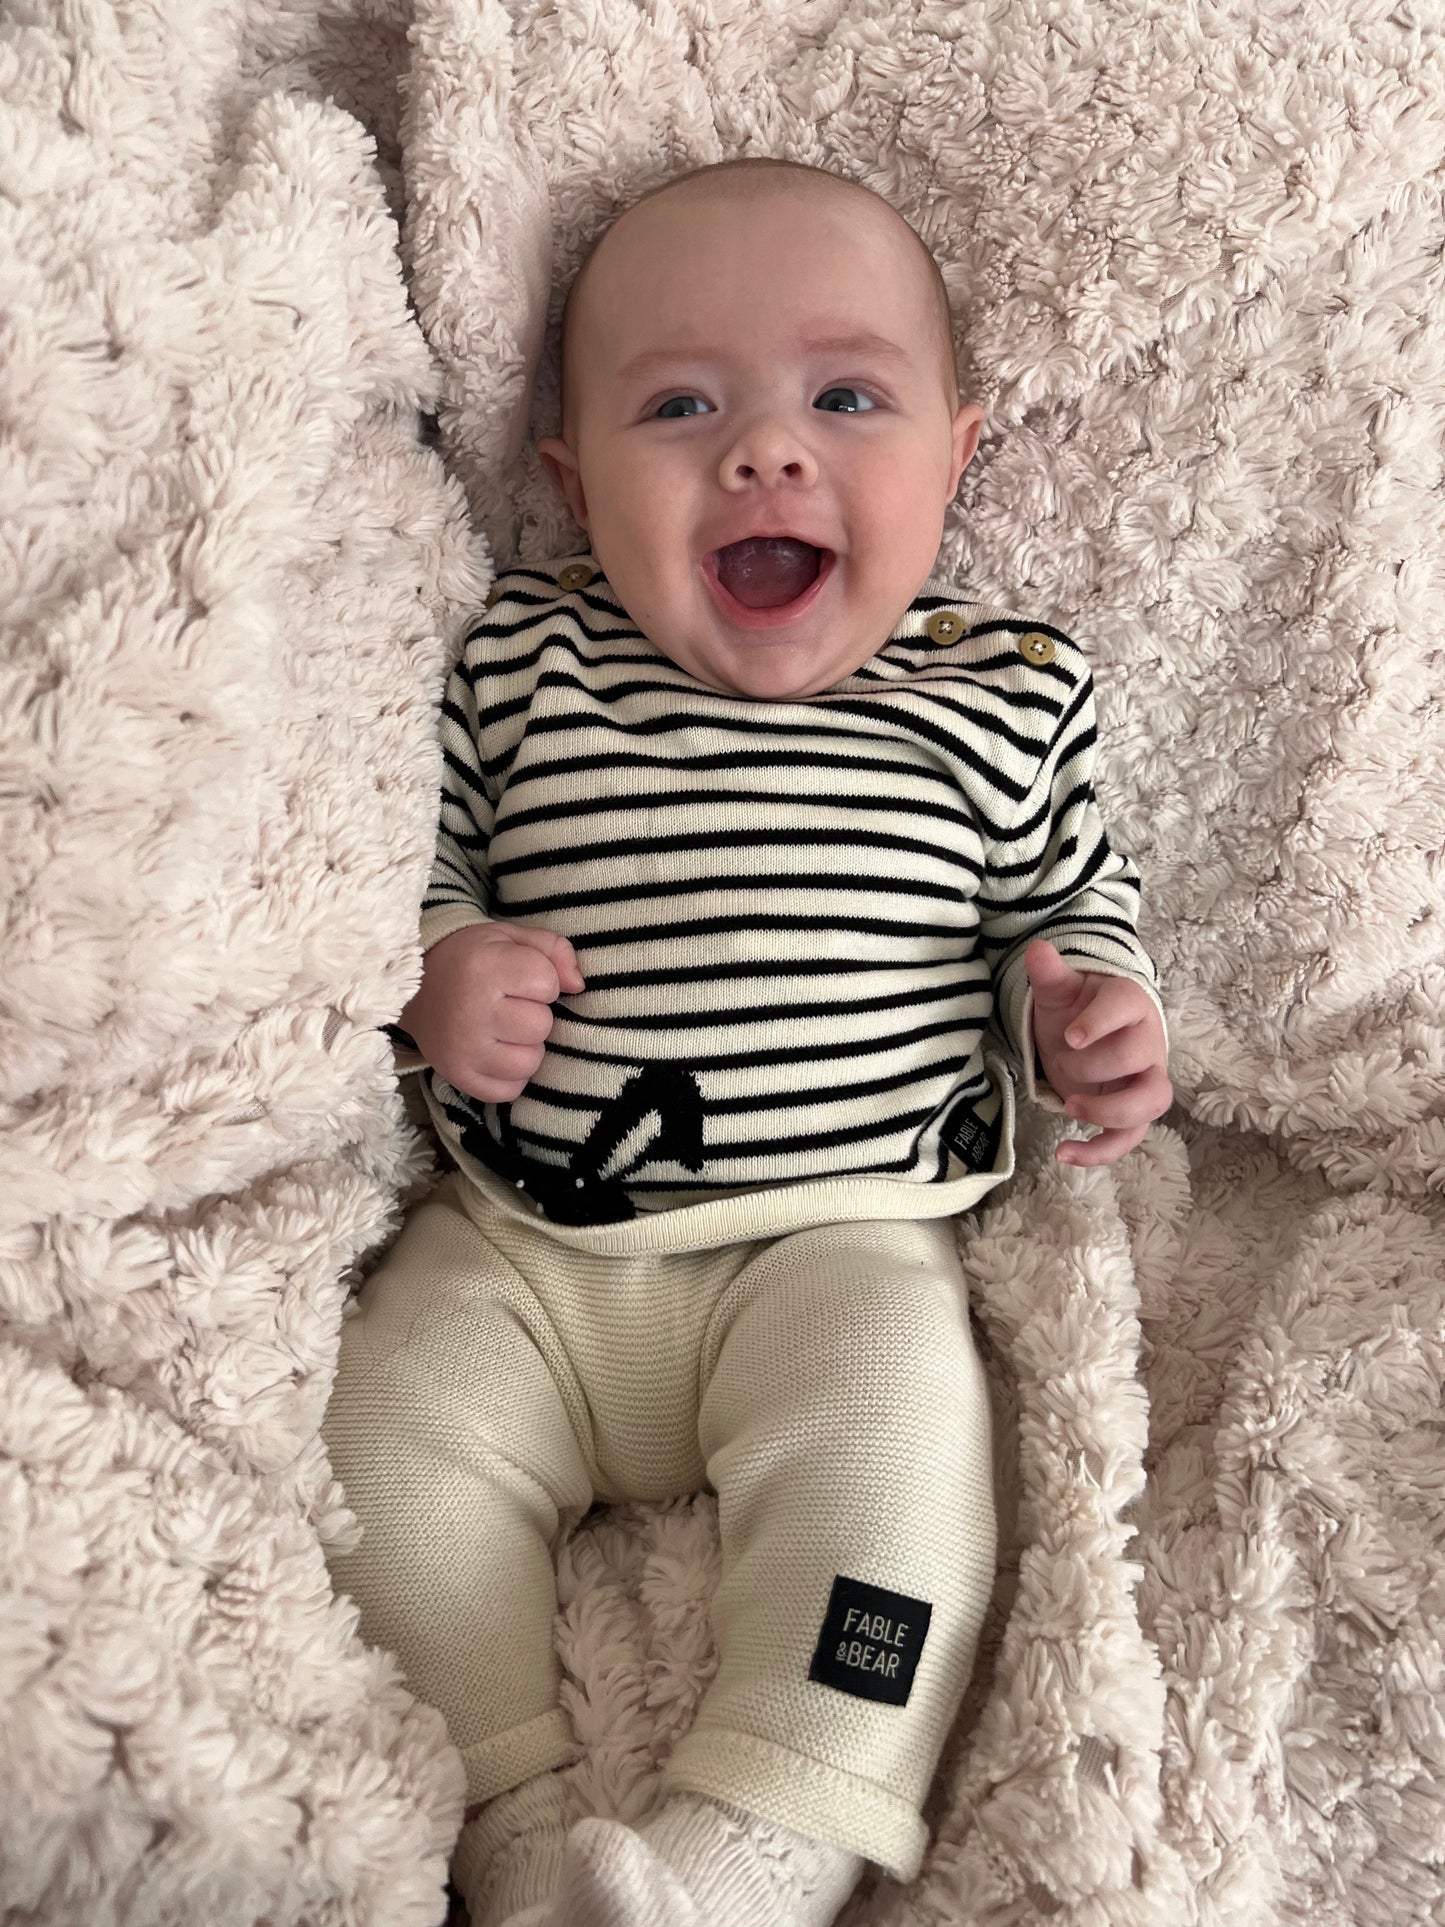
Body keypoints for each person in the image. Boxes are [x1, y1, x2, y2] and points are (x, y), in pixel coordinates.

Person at [320, 156, 1172, 1927]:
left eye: (846, 399)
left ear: (956, 452)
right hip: (521, 1251)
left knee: (905, 1476)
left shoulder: (998, 692)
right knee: (385, 1448)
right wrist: (435, 967)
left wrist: (1085, 1012)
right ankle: (514, 1829)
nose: (766, 452)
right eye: (679, 407)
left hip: (837, 1247)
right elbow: (404, 858)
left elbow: (1067, 901)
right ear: (572, 480)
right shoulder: (519, 661)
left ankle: (754, 1851)